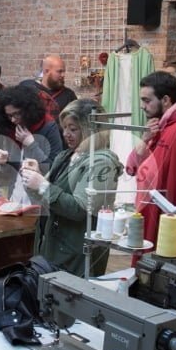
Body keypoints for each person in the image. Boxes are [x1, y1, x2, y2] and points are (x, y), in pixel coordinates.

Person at [22, 99, 124, 277]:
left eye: (73, 129)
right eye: (64, 128)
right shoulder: (66, 156)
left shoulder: (102, 163)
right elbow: (46, 198)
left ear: (90, 130)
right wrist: (35, 177)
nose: (66, 134)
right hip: (53, 247)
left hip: (76, 255)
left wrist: (43, 185)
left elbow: (80, 209)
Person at [125, 71, 176, 251]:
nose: (142, 106)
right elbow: (132, 168)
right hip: (156, 207)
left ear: (166, 100)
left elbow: (152, 175)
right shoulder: (161, 126)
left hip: (166, 213)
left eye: (147, 101)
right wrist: (145, 140)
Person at [0, 84, 63, 204]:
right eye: (9, 115)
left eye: (16, 113)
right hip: (16, 195)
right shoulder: (13, 128)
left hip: (40, 200)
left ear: (27, 110)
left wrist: (31, 144)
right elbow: (16, 170)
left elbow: (55, 169)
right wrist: (5, 161)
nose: (13, 119)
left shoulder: (48, 127)